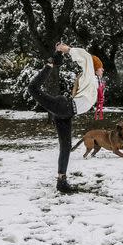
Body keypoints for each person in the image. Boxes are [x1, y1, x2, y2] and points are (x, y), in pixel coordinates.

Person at [28, 43, 100, 193]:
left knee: (66, 147)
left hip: (66, 113)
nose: (103, 69)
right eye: (101, 67)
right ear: (94, 67)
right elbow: (86, 57)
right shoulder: (90, 74)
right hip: (64, 107)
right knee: (33, 88)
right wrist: (66, 50)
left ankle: (62, 182)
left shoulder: (91, 81)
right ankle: (49, 64)